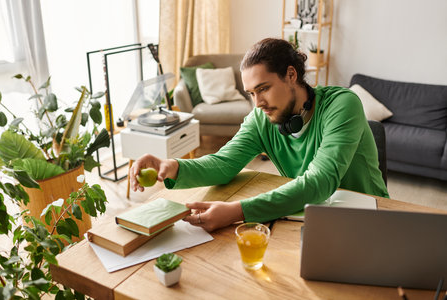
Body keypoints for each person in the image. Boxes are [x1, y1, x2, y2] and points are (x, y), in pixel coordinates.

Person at [129, 38, 389, 232]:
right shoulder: (261, 118)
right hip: (310, 213)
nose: (258, 103)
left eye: (263, 89)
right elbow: (223, 163)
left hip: (371, 219)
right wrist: (171, 166)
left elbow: (320, 181)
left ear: (291, 74)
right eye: (251, 93)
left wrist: (237, 211)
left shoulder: (343, 104)